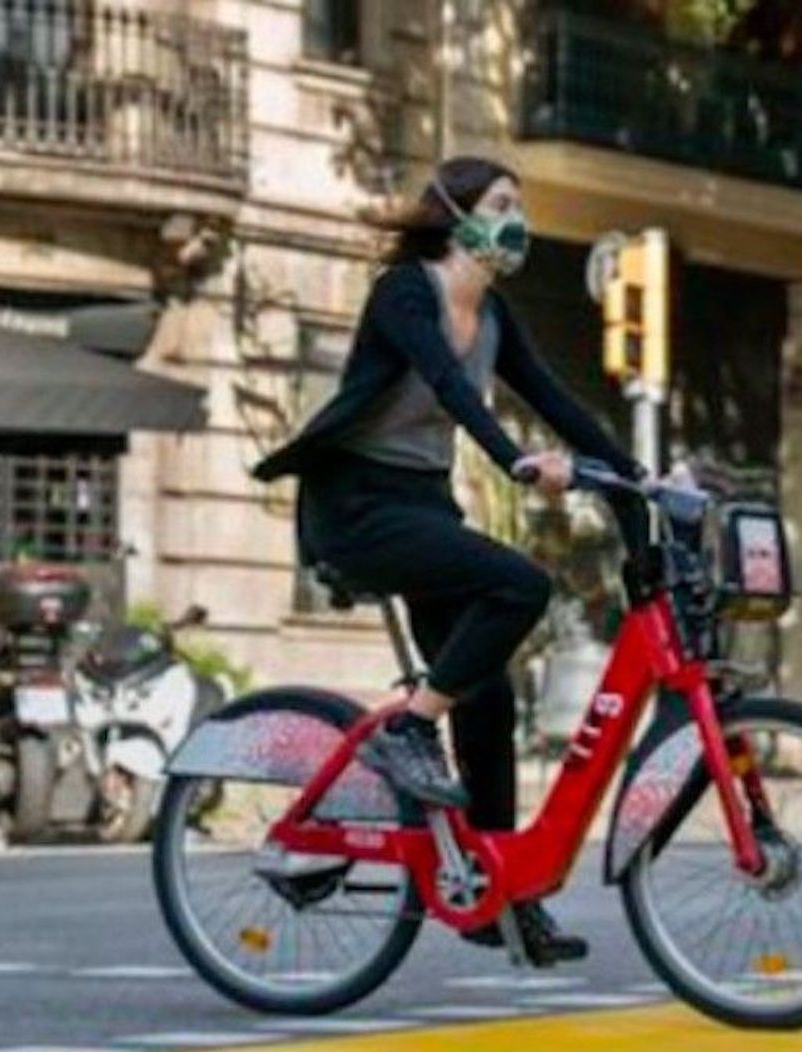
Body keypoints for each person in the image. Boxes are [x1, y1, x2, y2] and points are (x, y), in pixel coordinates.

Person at [251, 156, 646, 963]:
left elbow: (557, 400)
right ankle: (409, 730)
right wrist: (514, 461)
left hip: (424, 508)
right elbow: (448, 386)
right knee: (520, 584)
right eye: (501, 204)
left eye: (520, 206)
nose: (516, 221)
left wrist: (639, 479)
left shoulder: (494, 316)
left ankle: (497, 897)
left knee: (490, 696)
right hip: (358, 508)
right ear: (454, 213)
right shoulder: (409, 291)